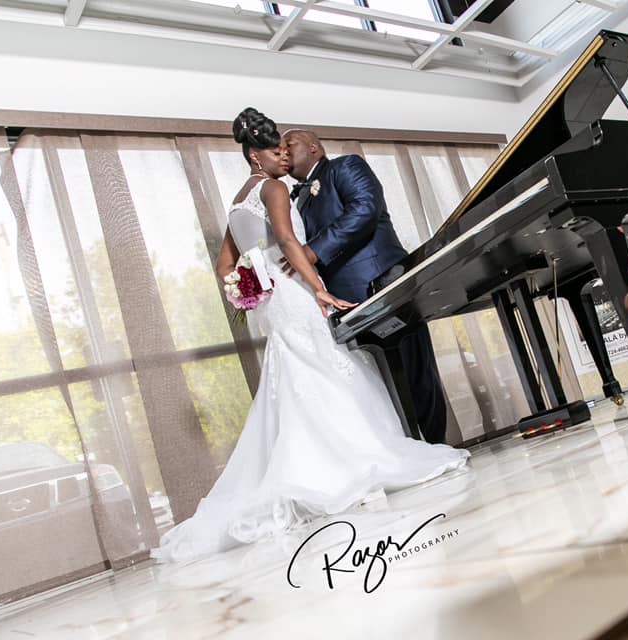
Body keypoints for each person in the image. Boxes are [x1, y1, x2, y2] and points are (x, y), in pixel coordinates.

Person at [150, 108, 469, 563]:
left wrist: (251, 284)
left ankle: (312, 467)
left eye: (288, 149)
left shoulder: (238, 201)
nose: (284, 157)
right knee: (329, 370)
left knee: (300, 379)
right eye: (278, 150)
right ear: (259, 155)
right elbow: (285, 240)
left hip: (274, 305)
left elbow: (225, 266)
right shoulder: (275, 188)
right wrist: (318, 290)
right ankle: (351, 464)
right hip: (297, 296)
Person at [281, 128, 449, 444]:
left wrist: (312, 251)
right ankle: (410, 451)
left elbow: (364, 208)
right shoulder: (300, 201)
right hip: (345, 302)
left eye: (289, 144)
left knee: (415, 371)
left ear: (314, 147)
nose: (283, 152)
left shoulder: (346, 166)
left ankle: (438, 446)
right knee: (380, 382)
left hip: (383, 282)